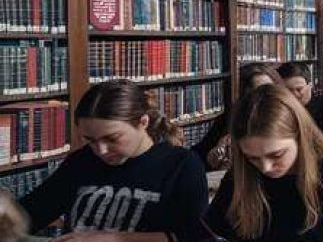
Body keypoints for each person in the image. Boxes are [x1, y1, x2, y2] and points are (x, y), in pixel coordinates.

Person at [20, 80, 210, 241]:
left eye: (112, 138)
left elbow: (194, 236)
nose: (101, 150)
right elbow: (31, 213)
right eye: (89, 140)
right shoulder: (82, 161)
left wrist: (115, 239)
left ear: (143, 123)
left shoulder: (181, 165)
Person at [206, 85, 323, 242]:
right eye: (253, 158)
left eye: (276, 155)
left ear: (300, 136)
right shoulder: (242, 174)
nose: (265, 167)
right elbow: (210, 232)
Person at [194, 63, 284, 170]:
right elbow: (196, 156)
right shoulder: (228, 119)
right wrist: (210, 159)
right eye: (254, 93)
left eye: (268, 90)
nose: (261, 97)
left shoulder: (284, 119)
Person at [279, 62, 323, 138]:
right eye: (287, 90)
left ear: (310, 86)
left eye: (299, 89)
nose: (293, 95)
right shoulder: (279, 107)